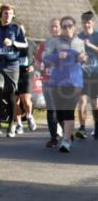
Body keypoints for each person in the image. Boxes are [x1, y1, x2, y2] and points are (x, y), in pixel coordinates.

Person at [43, 16, 88, 152]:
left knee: (68, 112)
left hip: (75, 82)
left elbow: (84, 57)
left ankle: (66, 141)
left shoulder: (79, 42)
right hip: (57, 82)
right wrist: (57, 56)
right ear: (61, 28)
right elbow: (45, 57)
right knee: (59, 114)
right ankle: (68, 133)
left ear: (74, 27)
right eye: (64, 26)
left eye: (70, 26)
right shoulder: (54, 42)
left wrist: (83, 58)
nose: (67, 28)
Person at [0, 5, 27, 137]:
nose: (7, 16)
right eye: (5, 13)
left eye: (10, 14)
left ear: (13, 16)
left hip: (12, 65)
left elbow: (24, 44)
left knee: (11, 95)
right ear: (0, 15)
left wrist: (13, 43)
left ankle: (11, 125)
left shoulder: (16, 28)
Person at [36, 17, 63, 148]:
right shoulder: (44, 44)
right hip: (47, 80)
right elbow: (37, 61)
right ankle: (54, 137)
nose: (54, 29)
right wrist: (38, 66)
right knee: (51, 109)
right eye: (52, 27)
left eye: (56, 26)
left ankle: (67, 131)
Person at [76, 11, 98, 139]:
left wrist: (91, 46)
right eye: (84, 23)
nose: (86, 25)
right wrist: (79, 57)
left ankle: (96, 127)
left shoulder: (97, 36)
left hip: (95, 74)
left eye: (88, 22)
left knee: (95, 103)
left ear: (93, 23)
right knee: (82, 101)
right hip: (81, 74)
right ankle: (82, 128)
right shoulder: (78, 37)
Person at [13, 36, 36, 134]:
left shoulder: (31, 43)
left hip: (27, 73)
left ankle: (29, 116)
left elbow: (39, 58)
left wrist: (33, 66)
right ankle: (19, 125)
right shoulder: (12, 44)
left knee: (26, 99)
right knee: (15, 101)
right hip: (14, 74)